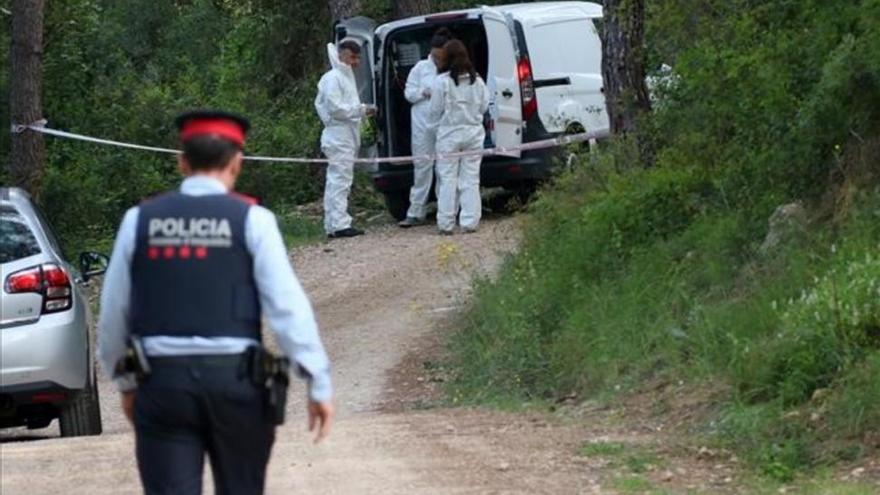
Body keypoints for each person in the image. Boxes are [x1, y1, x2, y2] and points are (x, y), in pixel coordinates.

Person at [97, 110, 334, 495]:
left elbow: (113, 315)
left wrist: (124, 382)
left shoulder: (139, 220)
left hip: (163, 384)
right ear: (237, 161)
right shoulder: (252, 220)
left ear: (182, 161)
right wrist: (318, 381)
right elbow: (288, 309)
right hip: (236, 386)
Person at [315, 39, 376, 239]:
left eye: (358, 57)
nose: (355, 61)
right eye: (352, 56)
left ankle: (333, 223)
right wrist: (361, 110)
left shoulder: (345, 77)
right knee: (339, 180)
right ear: (341, 55)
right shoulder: (333, 78)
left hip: (345, 135)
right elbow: (336, 108)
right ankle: (339, 224)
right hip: (338, 135)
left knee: (338, 180)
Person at [429, 40, 490, 235]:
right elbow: (484, 106)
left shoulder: (442, 82)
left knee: (447, 179)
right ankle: (470, 221)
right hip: (473, 133)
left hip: (449, 134)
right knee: (471, 178)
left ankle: (446, 223)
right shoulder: (478, 81)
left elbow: (434, 111)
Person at [398, 28, 452, 228]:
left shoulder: (451, 69)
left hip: (444, 123)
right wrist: (423, 92)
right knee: (422, 166)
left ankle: (446, 210)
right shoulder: (420, 68)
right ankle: (415, 210)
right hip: (422, 124)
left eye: (442, 56)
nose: (439, 59)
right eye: (436, 55)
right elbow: (408, 93)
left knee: (444, 167)